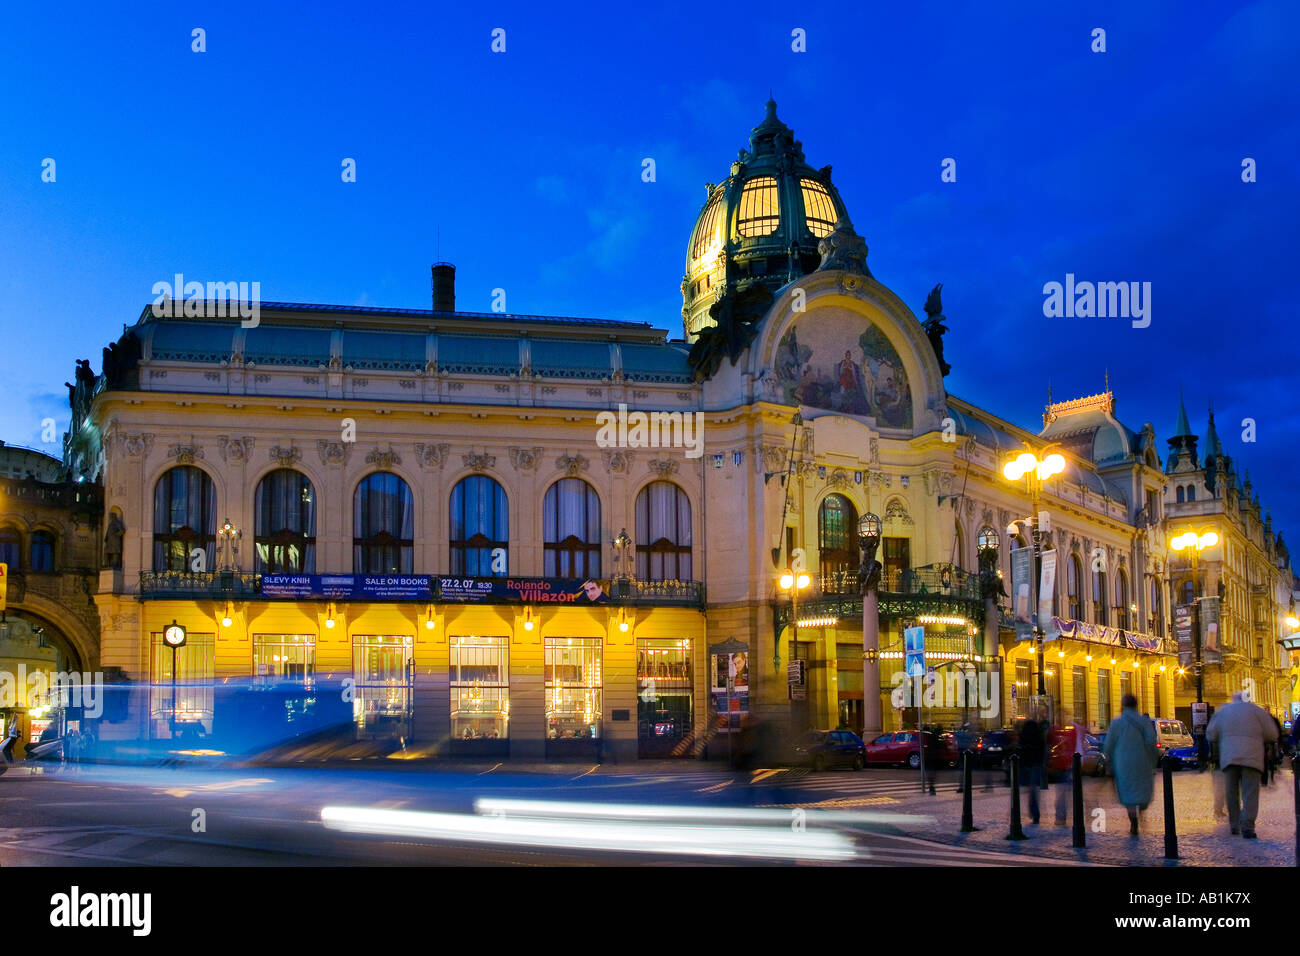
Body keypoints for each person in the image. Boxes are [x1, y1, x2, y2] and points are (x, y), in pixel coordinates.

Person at [1206, 691, 1276, 838]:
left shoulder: (1223, 711)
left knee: (1231, 793)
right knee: (1250, 793)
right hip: (1252, 757)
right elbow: (1272, 733)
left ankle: (1234, 825)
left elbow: (1211, 734)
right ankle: (1248, 826)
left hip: (1229, 757)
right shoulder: (1257, 711)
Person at [1102, 694, 1158, 835]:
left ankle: (1133, 821)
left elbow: (1108, 745)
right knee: (1142, 788)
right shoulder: (1144, 722)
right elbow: (1151, 742)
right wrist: (1153, 760)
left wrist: (1107, 761)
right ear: (1136, 705)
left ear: (1123, 706)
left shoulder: (1116, 723)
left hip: (1123, 763)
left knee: (1128, 792)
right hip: (1142, 761)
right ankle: (1142, 808)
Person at [1017, 709, 1047, 825]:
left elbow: (1021, 746)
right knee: (1033, 789)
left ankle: (1032, 811)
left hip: (1026, 763)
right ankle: (1035, 813)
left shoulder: (1025, 730)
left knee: (1028, 789)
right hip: (1035, 763)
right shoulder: (1039, 731)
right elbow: (1042, 748)